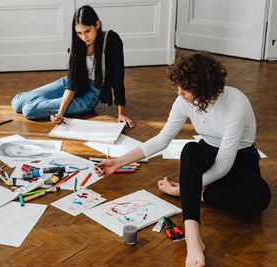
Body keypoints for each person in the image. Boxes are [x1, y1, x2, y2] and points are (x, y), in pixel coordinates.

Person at [95, 53, 270, 267]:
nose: (179, 93)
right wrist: (118, 162)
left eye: (184, 89)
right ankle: (193, 237)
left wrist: (184, 189)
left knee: (260, 198)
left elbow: (224, 164)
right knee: (190, 150)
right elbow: (162, 139)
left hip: (240, 158)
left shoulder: (235, 102)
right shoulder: (184, 101)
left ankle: (198, 193)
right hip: (207, 153)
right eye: (178, 87)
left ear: (204, 88)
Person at [11, 5, 134, 127]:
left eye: (87, 31)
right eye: (79, 33)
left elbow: (118, 78)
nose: (84, 37)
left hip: (90, 95)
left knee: (28, 110)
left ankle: (42, 103)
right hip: (74, 84)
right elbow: (71, 85)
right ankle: (44, 102)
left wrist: (121, 113)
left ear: (97, 24)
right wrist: (61, 112)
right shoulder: (78, 43)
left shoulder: (111, 40)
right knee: (17, 103)